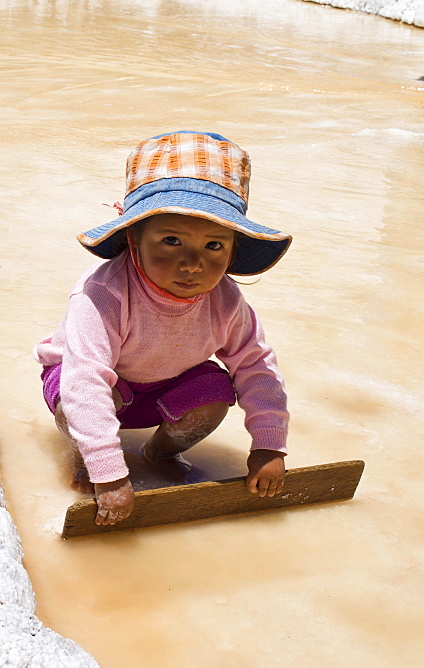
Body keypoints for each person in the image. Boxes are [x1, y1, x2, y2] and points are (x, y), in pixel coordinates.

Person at [34, 131, 291, 526]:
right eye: (171, 240)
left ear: (233, 249)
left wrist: (269, 447)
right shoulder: (103, 293)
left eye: (214, 246)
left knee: (216, 391)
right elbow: (85, 380)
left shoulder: (225, 301)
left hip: (161, 391)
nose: (192, 263)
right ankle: (87, 454)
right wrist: (111, 475)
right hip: (96, 388)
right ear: (134, 238)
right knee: (74, 396)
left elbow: (256, 366)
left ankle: (161, 453)